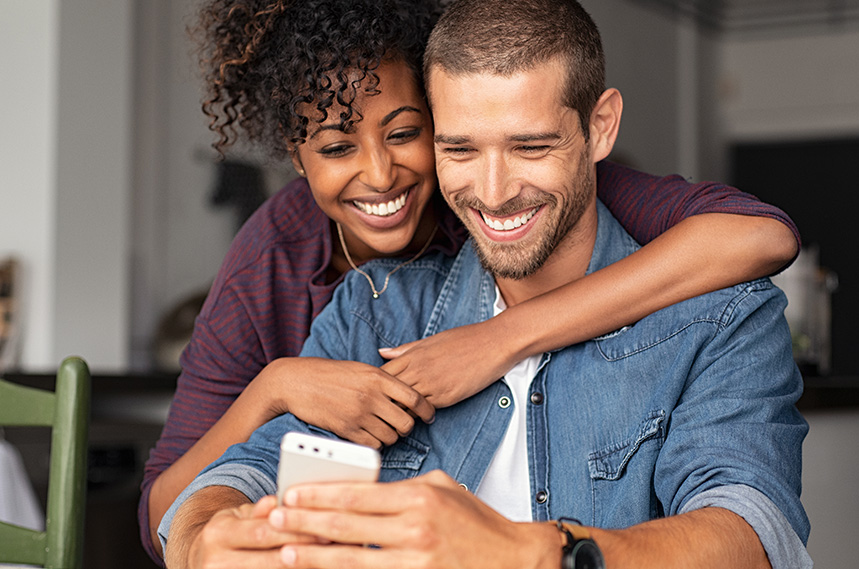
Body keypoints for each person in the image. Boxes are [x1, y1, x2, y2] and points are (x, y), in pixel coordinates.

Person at [156, 1, 810, 568]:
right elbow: (235, 474)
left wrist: (528, 550)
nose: (493, 194)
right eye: (461, 150)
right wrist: (204, 533)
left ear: (599, 128)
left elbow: (751, 537)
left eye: (530, 147)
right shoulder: (373, 305)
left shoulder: (721, 317)